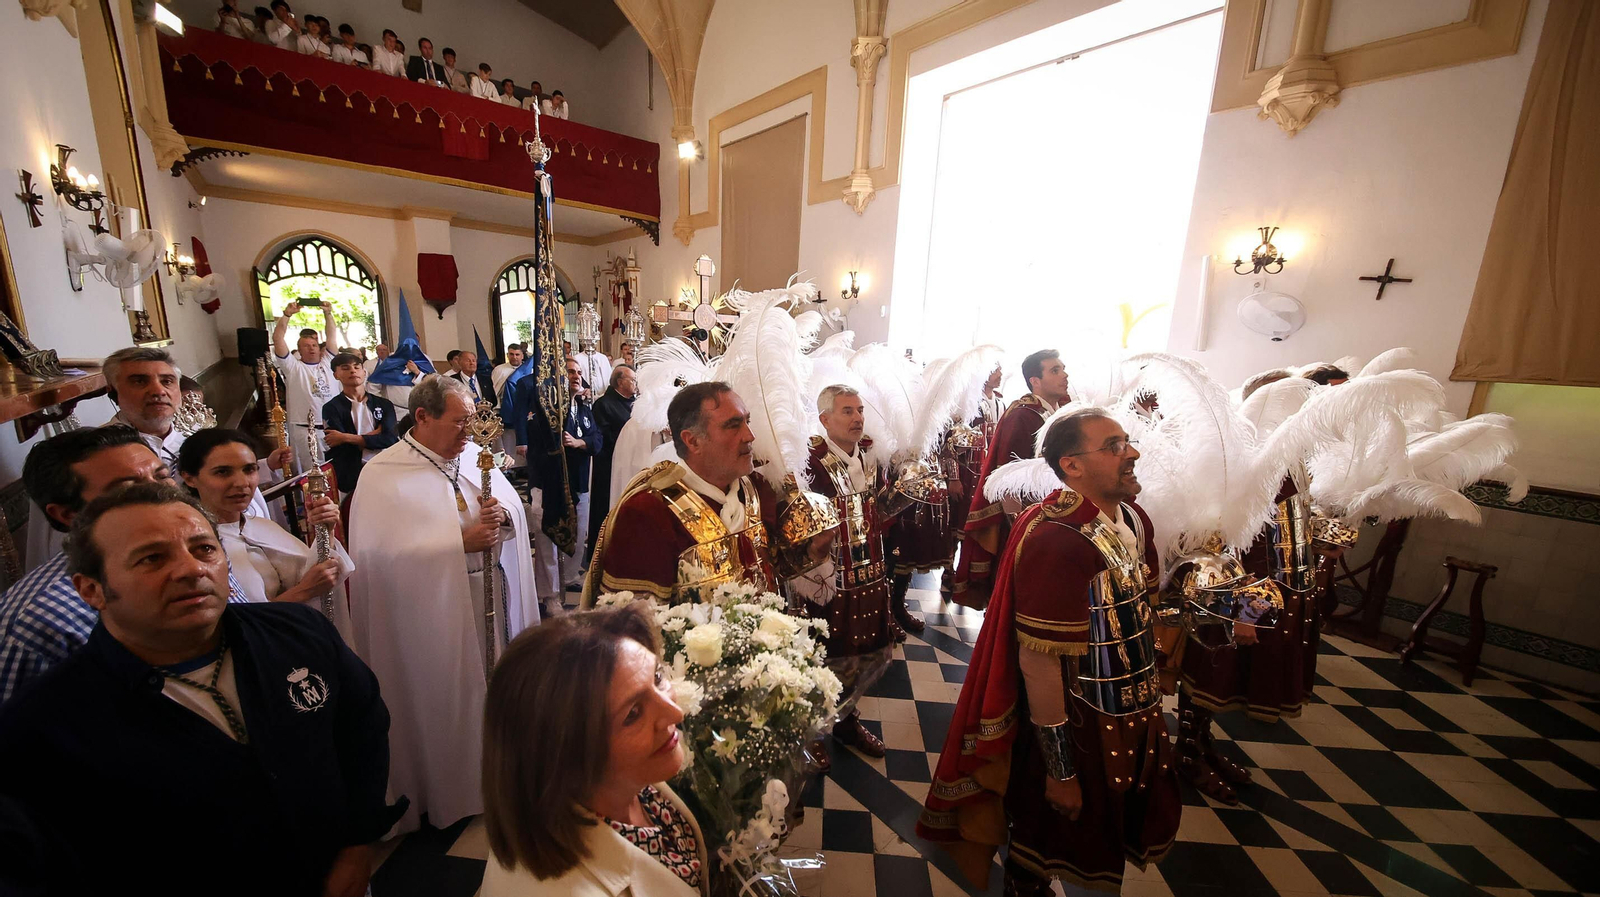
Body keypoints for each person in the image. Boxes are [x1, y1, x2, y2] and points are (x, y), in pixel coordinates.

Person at [0, 483, 402, 894]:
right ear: (92, 590)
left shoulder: (297, 634)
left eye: (204, 549)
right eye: (152, 558)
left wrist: (355, 848)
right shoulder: (44, 724)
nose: (192, 569)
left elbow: (362, 729)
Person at [920, 408, 1181, 895]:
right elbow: (1040, 664)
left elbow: (1134, 613)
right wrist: (1062, 773)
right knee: (1039, 851)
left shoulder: (1133, 517)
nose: (1133, 453)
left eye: (1127, 441)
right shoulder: (1056, 537)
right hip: (1079, 728)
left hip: (1132, 712)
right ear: (1072, 465)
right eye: (1114, 446)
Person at [346, 376, 538, 833]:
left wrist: (503, 519)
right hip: (426, 613)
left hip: (492, 591)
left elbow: (513, 514)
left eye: (472, 420)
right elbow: (376, 556)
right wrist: (458, 542)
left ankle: (500, 771)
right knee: (447, 692)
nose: (468, 432)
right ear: (422, 418)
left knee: (499, 682)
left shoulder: (474, 457)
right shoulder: (382, 473)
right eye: (459, 422)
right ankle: (453, 787)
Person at [480, 603, 706, 897]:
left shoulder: (623, 785)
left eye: (658, 677)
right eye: (633, 713)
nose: (676, 714)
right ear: (567, 753)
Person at [1, 429, 218, 704]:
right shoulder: (37, 624)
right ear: (69, 514)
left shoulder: (205, 553)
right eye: (129, 489)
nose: (162, 494)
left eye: (162, 477)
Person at [583, 381, 780, 605]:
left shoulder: (756, 489)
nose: (750, 435)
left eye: (748, 421)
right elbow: (634, 625)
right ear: (693, 440)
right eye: (733, 425)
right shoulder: (648, 512)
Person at [788, 385, 902, 758]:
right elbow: (794, 525)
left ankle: (846, 720)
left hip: (871, 568)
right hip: (826, 577)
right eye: (847, 412)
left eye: (859, 410)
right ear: (824, 420)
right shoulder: (809, 460)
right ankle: (809, 734)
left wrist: (905, 494)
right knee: (822, 653)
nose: (857, 418)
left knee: (864, 651)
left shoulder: (870, 453)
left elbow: (877, 510)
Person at [177, 429, 354, 639]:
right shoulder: (191, 547)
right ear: (189, 478)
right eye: (223, 472)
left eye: (249, 469)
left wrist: (326, 530)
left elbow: (318, 580)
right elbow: (223, 626)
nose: (242, 483)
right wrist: (303, 592)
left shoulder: (264, 527)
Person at [952, 349, 1069, 609]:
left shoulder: (1058, 412)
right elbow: (1010, 476)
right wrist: (1022, 525)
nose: (1064, 374)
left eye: (1063, 368)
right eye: (1055, 370)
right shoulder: (1023, 415)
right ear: (1035, 381)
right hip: (1025, 520)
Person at [271, 302, 342, 473]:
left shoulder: (328, 363)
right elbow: (277, 339)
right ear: (299, 350)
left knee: (337, 472)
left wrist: (328, 313)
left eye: (314, 345)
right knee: (310, 475)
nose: (311, 348)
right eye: (306, 346)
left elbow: (332, 336)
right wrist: (287, 315)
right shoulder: (293, 367)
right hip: (305, 430)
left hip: (332, 429)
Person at [323, 352, 399, 496]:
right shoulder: (331, 408)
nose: (352, 371)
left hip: (385, 469)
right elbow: (337, 443)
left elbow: (390, 439)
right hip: (351, 473)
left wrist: (346, 437)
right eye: (345, 368)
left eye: (357, 367)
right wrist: (376, 435)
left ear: (364, 373)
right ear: (336, 375)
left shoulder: (384, 404)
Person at [587, 364, 635, 564]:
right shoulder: (604, 405)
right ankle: (600, 554)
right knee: (604, 507)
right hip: (608, 465)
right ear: (619, 381)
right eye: (632, 380)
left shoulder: (634, 403)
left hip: (628, 464)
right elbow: (603, 436)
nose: (635, 384)